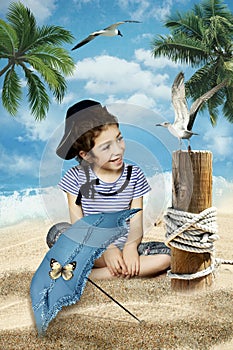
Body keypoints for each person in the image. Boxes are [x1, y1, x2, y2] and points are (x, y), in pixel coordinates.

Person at [48, 99, 170, 279]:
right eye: (106, 147)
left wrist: (129, 248)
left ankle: (91, 276)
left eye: (119, 139)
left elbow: (136, 221)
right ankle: (118, 270)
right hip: (92, 248)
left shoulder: (133, 175)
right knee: (57, 233)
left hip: (127, 248)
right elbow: (79, 224)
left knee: (168, 256)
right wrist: (107, 249)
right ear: (86, 155)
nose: (118, 150)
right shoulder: (75, 178)